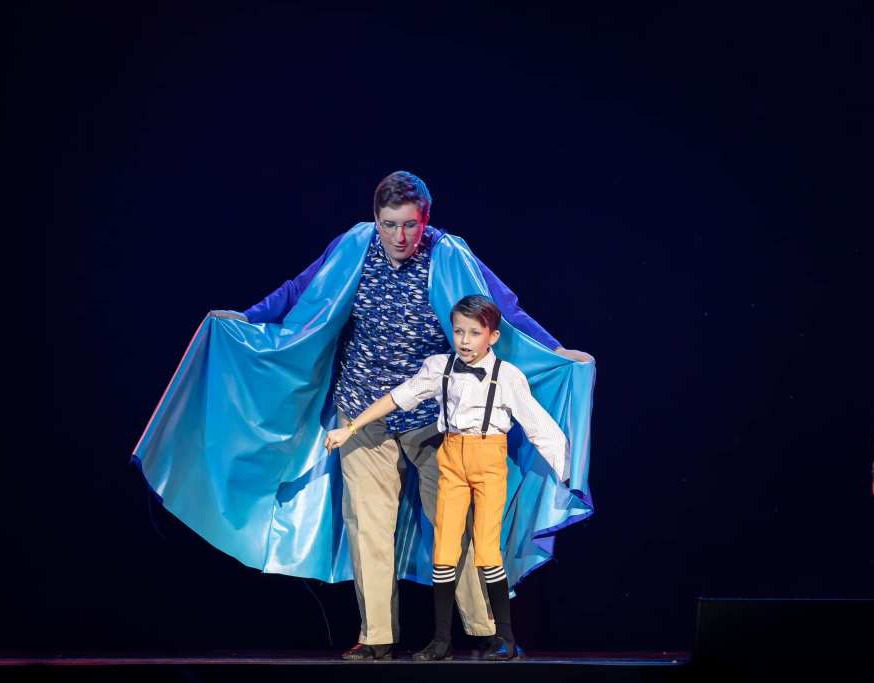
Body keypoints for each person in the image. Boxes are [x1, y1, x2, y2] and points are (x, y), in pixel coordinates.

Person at [133, 171, 596, 662]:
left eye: (410, 225)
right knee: (368, 525)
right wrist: (249, 317)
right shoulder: (354, 246)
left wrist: (554, 350)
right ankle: (376, 636)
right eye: (389, 225)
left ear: (426, 221)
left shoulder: (449, 255)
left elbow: (501, 309)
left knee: (455, 527)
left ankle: (485, 630)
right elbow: (300, 290)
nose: (400, 237)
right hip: (363, 411)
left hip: (434, 420)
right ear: (375, 219)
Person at [325, 295, 567, 661]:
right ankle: (440, 641)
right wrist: (352, 428)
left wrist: (567, 474)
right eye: (458, 332)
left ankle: (503, 636)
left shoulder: (507, 376)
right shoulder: (440, 368)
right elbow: (397, 397)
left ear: (493, 336)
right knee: (444, 551)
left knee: (486, 549)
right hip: (452, 458)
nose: (465, 341)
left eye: (474, 333)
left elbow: (538, 425)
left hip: (487, 460)